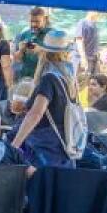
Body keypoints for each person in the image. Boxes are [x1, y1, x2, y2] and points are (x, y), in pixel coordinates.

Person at [10, 29, 77, 168]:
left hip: (46, 147)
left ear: (44, 52)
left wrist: (15, 145)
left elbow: (36, 114)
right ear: (66, 52)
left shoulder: (49, 78)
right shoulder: (69, 75)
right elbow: (57, 107)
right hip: (65, 143)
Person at [13, 6, 50, 81]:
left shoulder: (51, 35)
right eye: (31, 21)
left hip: (44, 77)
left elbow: (58, 58)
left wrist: (41, 51)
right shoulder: (24, 34)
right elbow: (16, 59)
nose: (33, 24)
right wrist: (21, 50)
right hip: (25, 76)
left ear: (45, 20)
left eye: (37, 21)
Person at [75, 10, 100, 76]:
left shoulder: (94, 24)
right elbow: (79, 41)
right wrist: (83, 58)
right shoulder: (82, 23)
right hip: (85, 59)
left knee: (93, 82)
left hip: (93, 58)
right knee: (83, 82)